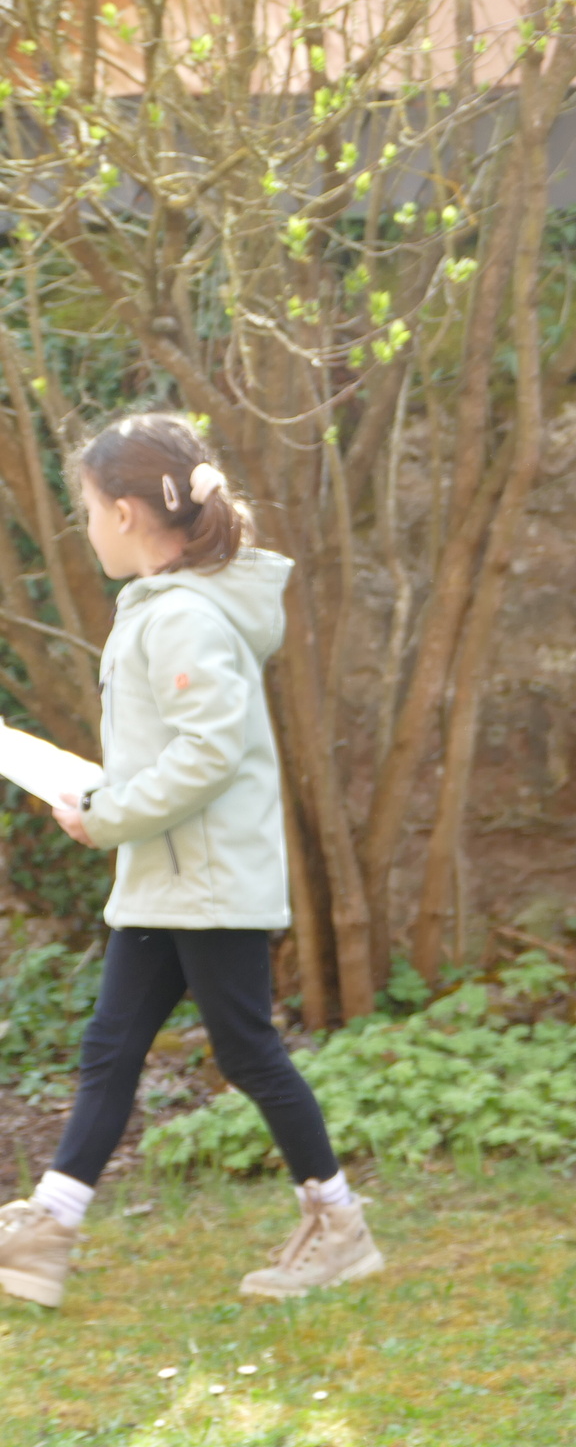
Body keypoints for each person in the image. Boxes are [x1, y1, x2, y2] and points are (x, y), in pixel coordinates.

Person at [0, 414, 382, 1309]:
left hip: (207, 884)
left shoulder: (183, 617)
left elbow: (210, 753)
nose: (85, 527)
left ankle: (339, 1225)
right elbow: (171, 754)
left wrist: (107, 815)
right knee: (111, 1049)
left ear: (125, 513)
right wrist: (100, 798)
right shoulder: (162, 608)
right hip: (165, 879)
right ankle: (48, 1233)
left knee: (247, 1052)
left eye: (86, 510)